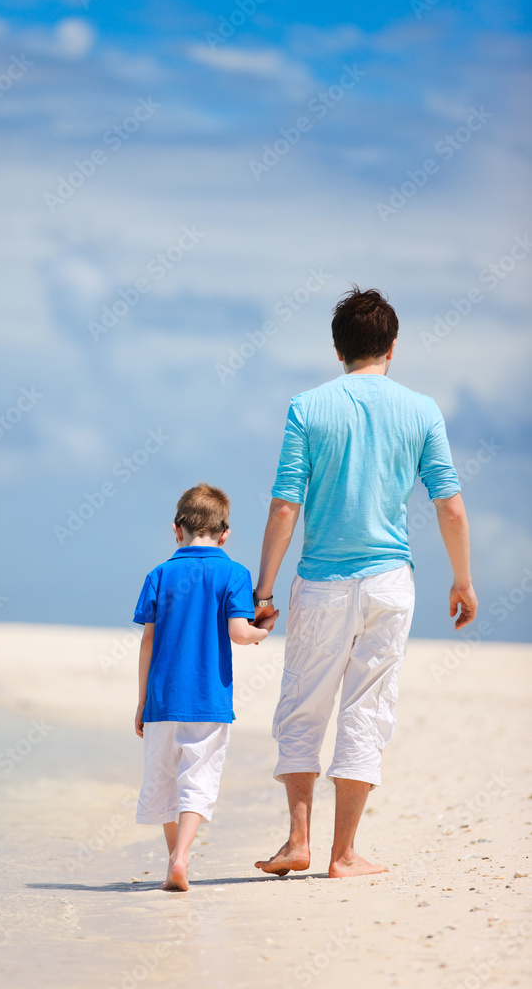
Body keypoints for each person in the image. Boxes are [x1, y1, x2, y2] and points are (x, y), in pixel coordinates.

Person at [252, 286, 478, 879]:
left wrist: (263, 591)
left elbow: (283, 506)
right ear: (392, 347)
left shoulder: (308, 406)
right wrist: (462, 580)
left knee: (302, 706)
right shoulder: (422, 409)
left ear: (338, 349)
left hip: (321, 581)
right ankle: (343, 854)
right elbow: (449, 506)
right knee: (367, 709)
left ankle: (298, 842)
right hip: (388, 582)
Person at [134, 483, 279, 891]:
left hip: (163, 701)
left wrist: (142, 700)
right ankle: (182, 857)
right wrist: (261, 632)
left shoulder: (159, 575)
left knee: (162, 781)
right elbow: (238, 631)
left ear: (176, 529)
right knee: (196, 781)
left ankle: (172, 861)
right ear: (225, 533)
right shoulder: (234, 573)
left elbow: (148, 641)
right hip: (209, 701)